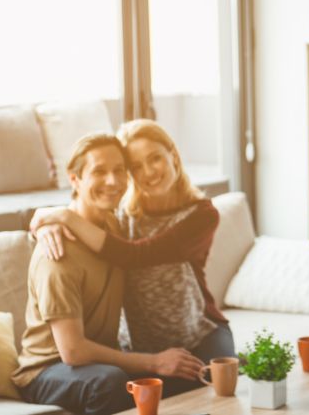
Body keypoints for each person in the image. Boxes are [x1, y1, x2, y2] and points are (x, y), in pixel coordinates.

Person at [30, 120, 235, 398]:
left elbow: (137, 255)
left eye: (155, 159)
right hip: (139, 345)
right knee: (151, 394)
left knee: (217, 388)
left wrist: (61, 216)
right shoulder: (120, 218)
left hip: (198, 330)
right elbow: (84, 218)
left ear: (173, 155)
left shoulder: (201, 215)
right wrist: (45, 225)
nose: (148, 171)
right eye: (136, 166)